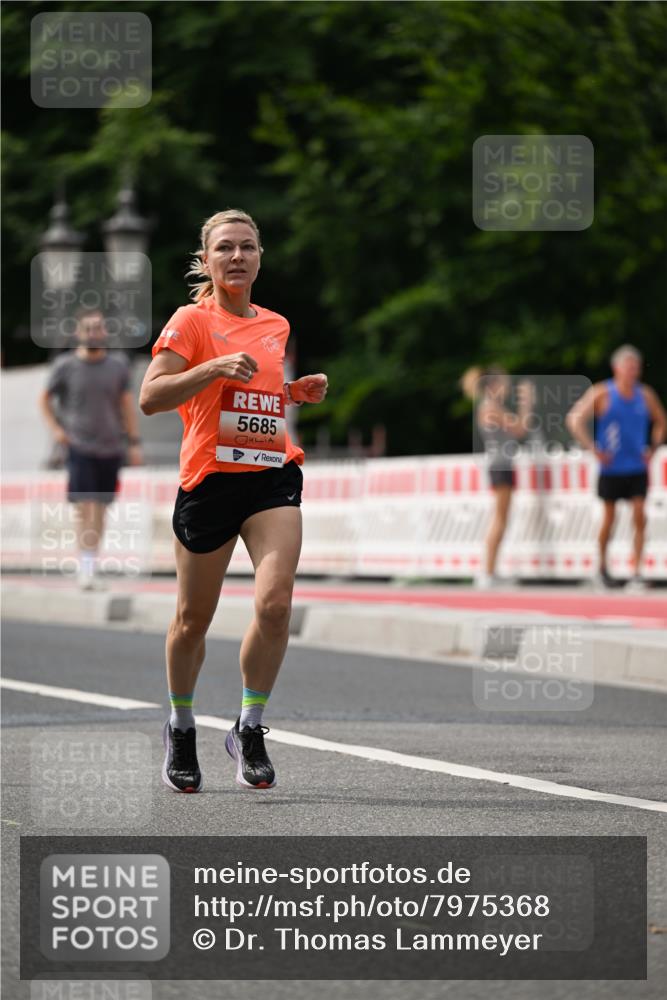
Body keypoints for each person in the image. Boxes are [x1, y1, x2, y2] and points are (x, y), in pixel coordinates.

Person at [139, 208, 328, 793]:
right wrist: (213, 367)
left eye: (247, 247)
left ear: (260, 257)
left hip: (272, 475)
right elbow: (152, 397)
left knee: (275, 605)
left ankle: (249, 726)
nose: (238, 257)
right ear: (209, 258)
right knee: (192, 621)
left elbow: (257, 397)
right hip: (209, 481)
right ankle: (182, 723)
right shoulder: (191, 322)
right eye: (226, 248)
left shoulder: (276, 324)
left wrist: (292, 393)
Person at [40, 308, 143, 589]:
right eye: (88, 328)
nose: (93, 333)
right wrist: (57, 430)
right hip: (79, 445)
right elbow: (44, 399)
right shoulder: (65, 366)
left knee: (101, 508)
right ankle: (85, 567)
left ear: (104, 332)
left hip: (111, 448)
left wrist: (133, 442)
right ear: (78, 333)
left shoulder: (118, 366)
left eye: (98, 328)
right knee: (87, 505)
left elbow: (126, 405)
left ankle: (91, 562)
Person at [566, 344, 666, 589]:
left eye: (636, 367)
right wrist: (592, 448)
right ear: (617, 368)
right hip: (611, 468)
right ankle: (601, 567)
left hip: (636, 467)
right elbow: (574, 419)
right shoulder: (603, 392)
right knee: (609, 519)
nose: (633, 372)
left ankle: (637, 572)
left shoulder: (646, 395)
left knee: (639, 515)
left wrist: (652, 448)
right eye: (628, 367)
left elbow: (661, 421)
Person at [461, 366, 534, 588]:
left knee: (501, 518)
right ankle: (487, 572)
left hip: (501, 464)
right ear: (493, 385)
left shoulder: (490, 406)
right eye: (504, 383)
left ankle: (491, 570)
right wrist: (526, 404)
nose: (507, 388)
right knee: (500, 519)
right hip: (500, 465)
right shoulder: (491, 407)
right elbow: (521, 429)